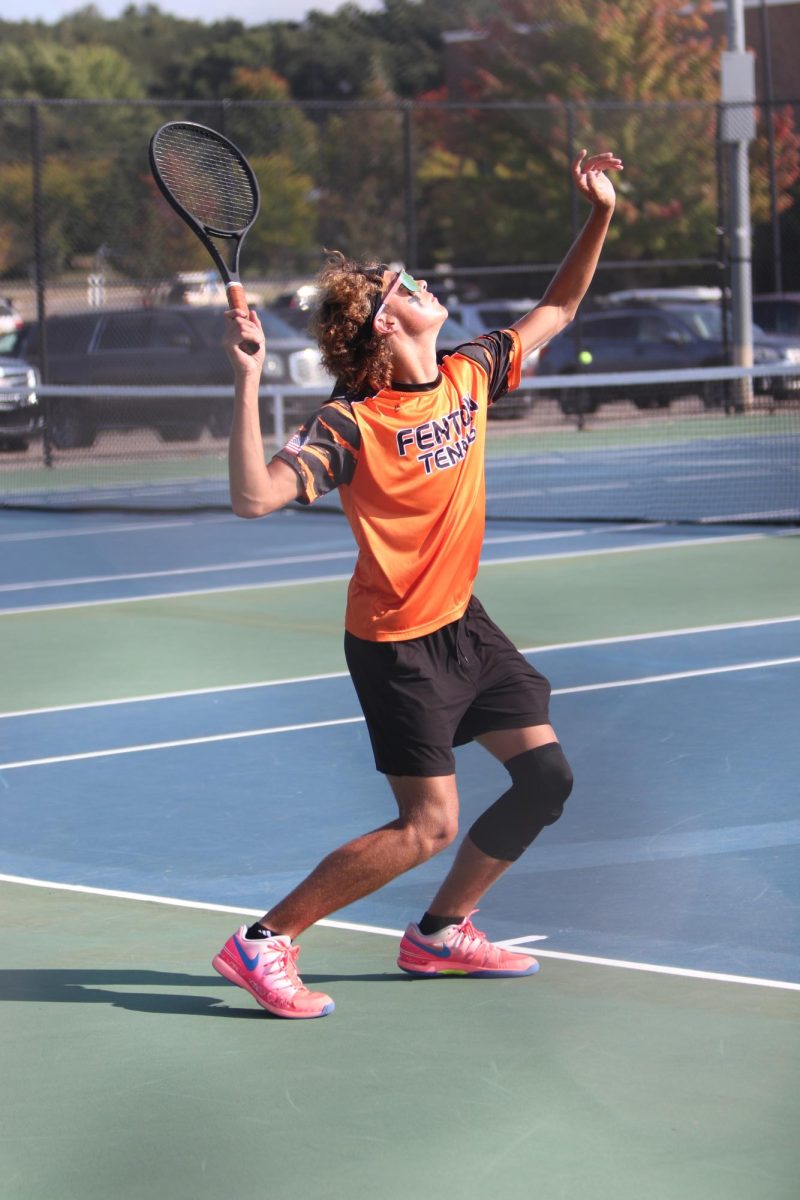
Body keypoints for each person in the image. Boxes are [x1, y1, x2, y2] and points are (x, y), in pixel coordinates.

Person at [213, 149, 623, 1019]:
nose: (422, 284)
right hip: (398, 644)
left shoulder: (472, 374)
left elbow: (559, 307)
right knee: (425, 824)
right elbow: (255, 498)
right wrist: (248, 379)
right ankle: (264, 942)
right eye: (405, 286)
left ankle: (439, 934)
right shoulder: (351, 423)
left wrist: (600, 214)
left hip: (463, 625)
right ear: (384, 329)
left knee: (545, 779)